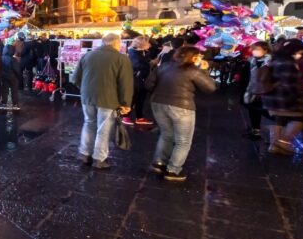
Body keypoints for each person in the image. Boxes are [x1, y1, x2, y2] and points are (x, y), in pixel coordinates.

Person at [143, 44, 216, 181]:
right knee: (183, 141)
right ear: (194, 57)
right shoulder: (193, 70)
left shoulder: (164, 66)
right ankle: (173, 170)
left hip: (158, 103)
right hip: (182, 106)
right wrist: (205, 71)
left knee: (166, 134)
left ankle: (159, 163)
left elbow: (148, 85)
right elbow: (210, 88)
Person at [71, 33, 133, 170]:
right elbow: (125, 84)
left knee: (89, 124)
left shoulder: (88, 55)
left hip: (87, 97)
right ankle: (99, 159)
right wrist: (125, 103)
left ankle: (85, 153)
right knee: (103, 129)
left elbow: (75, 78)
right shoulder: (121, 59)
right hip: (109, 99)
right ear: (117, 43)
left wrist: (85, 89)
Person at [264, 39, 303, 156]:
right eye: (299, 51)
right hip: (284, 98)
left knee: (278, 119)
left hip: (271, 97)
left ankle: (273, 145)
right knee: (300, 119)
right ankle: (283, 141)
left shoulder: (274, 59)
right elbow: (290, 83)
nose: (300, 54)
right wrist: (298, 96)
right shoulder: (288, 63)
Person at [241, 41, 272, 139]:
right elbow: (244, 77)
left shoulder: (271, 62)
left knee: (266, 111)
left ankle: (283, 125)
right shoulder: (250, 61)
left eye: (257, 49)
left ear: (265, 50)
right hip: (251, 90)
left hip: (266, 91)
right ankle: (255, 130)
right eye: (253, 49)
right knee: (252, 109)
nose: (254, 51)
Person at [126, 36, 155, 126]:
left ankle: (139, 117)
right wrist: (150, 63)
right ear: (142, 44)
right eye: (148, 43)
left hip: (142, 79)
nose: (150, 44)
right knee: (133, 99)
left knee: (140, 99)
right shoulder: (133, 52)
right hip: (136, 80)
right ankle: (125, 116)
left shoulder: (142, 52)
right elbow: (139, 65)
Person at [0, 39, 21, 111]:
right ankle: (15, 104)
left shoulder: (1, 58)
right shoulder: (13, 59)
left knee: (4, 90)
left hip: (4, 77)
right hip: (13, 77)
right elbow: (16, 69)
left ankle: (4, 103)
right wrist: (18, 77)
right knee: (14, 91)